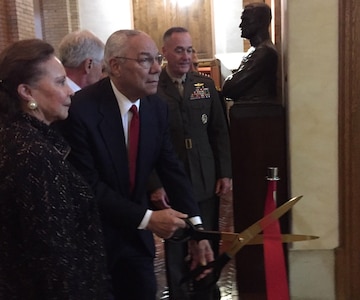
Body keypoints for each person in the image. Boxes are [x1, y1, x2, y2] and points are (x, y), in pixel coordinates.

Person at [59, 29, 214, 300]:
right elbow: (87, 185)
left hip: (137, 241)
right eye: (145, 60)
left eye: (156, 58)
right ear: (116, 66)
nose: (156, 68)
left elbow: (172, 168)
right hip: (94, 239)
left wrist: (197, 229)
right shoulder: (80, 110)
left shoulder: (156, 107)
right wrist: (149, 219)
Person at [0, 39, 109, 299]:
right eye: (60, 82)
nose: (70, 92)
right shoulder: (33, 154)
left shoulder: (19, 137)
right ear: (27, 92)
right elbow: (54, 258)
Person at [150, 26, 232, 300]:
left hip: (205, 177)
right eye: (179, 50)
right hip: (172, 183)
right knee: (177, 243)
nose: (186, 56)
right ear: (164, 52)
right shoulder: (152, 89)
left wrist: (225, 173)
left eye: (189, 49)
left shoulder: (204, 86)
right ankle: (180, 293)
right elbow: (146, 144)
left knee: (208, 238)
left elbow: (219, 131)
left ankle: (207, 291)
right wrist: (155, 184)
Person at [222, 3, 278, 103]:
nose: (241, 25)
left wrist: (231, 78)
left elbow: (230, 87)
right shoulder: (255, 50)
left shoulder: (264, 52)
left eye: (246, 20)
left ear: (260, 22)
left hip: (256, 112)